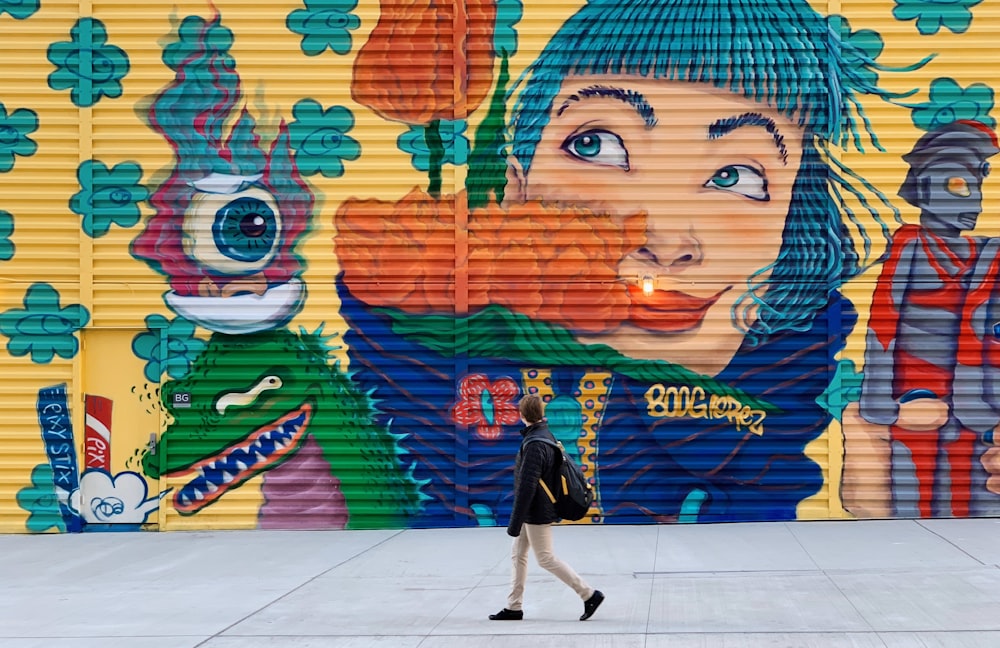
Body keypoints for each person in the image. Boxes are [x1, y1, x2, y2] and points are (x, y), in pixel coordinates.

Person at [335, 0, 909, 526]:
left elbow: (755, 492)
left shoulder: (789, 351)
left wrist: (685, 376)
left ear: (786, 234)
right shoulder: (420, 327)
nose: (664, 235)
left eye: (735, 177)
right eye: (598, 145)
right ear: (514, 184)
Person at [854, 121, 999, 518]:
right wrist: (883, 408)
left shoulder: (987, 253)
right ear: (926, 187)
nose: (975, 203)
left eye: (977, 186)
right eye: (957, 186)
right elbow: (881, 328)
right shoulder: (910, 249)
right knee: (914, 497)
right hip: (917, 401)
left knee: (973, 499)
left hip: (974, 403)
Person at [490, 394, 604, 621]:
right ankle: (514, 606)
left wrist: (514, 523)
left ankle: (589, 594)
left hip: (536, 511)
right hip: (533, 510)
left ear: (522, 415)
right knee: (518, 554)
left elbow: (526, 488)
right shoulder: (544, 435)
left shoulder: (534, 444)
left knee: (545, 558)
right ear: (541, 414)